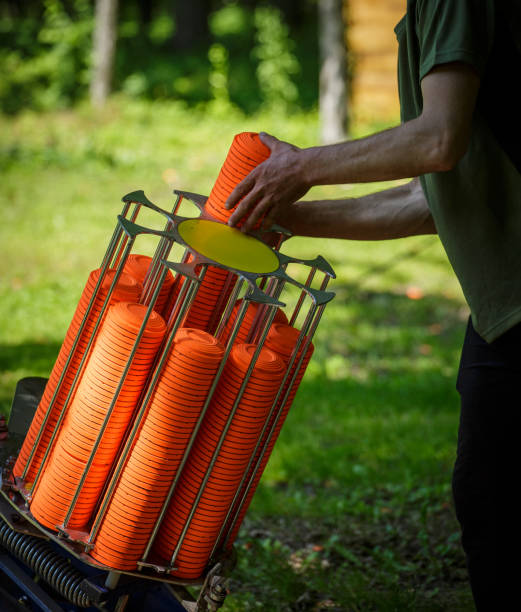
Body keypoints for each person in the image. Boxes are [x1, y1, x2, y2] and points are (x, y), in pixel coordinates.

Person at [225, 1, 521, 610]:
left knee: (497, 509)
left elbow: (437, 141)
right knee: (486, 497)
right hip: (504, 305)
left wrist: (303, 168)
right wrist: (288, 218)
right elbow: (430, 197)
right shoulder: (427, 18)